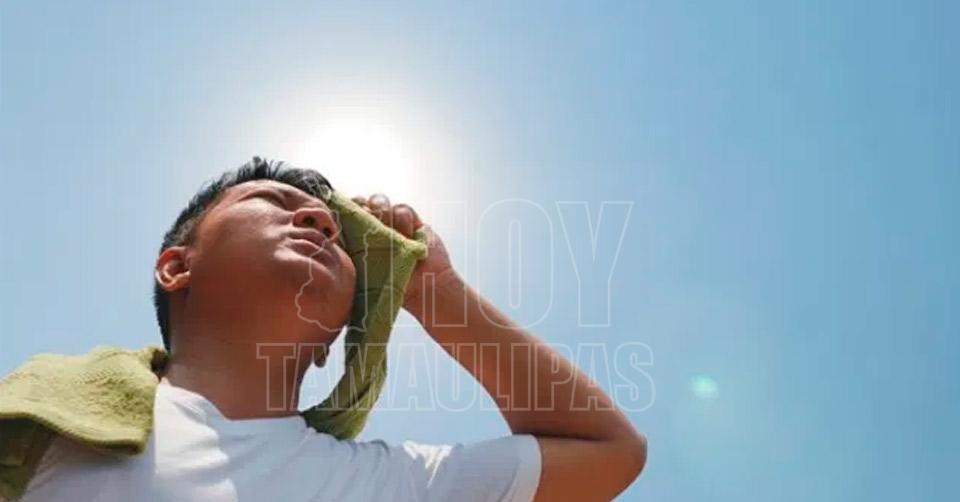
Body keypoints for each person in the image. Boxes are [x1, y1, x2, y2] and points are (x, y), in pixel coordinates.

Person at [16, 158, 646, 501]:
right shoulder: (48, 421)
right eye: (273, 202)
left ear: (333, 341)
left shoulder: (376, 484)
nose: (319, 221)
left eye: (339, 236)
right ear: (177, 267)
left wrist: (434, 291)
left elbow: (609, 453)